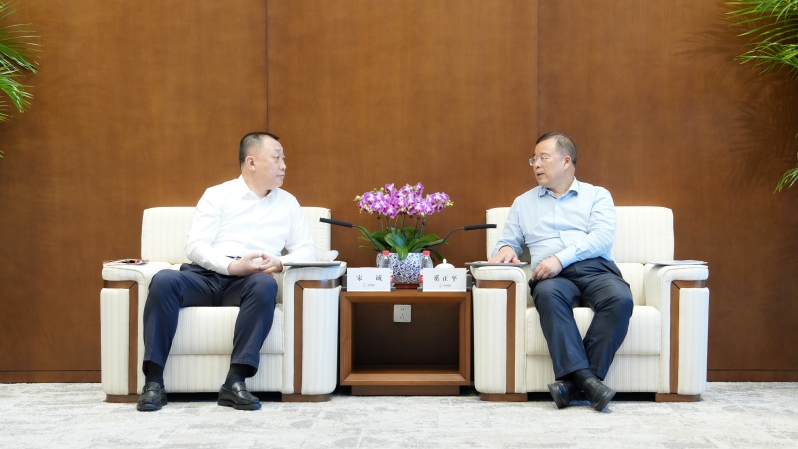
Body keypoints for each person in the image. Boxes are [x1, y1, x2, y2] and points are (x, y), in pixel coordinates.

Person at [136, 132, 317, 412]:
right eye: (277, 158)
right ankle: (153, 383)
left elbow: (308, 250)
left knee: (265, 285)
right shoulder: (218, 195)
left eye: (284, 159)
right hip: (205, 277)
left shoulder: (288, 203)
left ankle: (235, 382)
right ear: (251, 162)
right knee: (164, 280)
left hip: (249, 282)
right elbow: (195, 245)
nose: (284, 165)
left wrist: (280, 262)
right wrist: (231, 266)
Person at [489, 131, 633, 412]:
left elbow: (602, 238)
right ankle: (589, 383)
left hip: (596, 269)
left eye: (543, 158)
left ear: (566, 161)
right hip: (551, 277)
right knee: (548, 296)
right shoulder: (523, 203)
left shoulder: (597, 195)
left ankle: (572, 385)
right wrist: (505, 248)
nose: (536, 164)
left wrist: (560, 258)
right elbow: (508, 241)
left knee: (620, 299)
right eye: (533, 159)